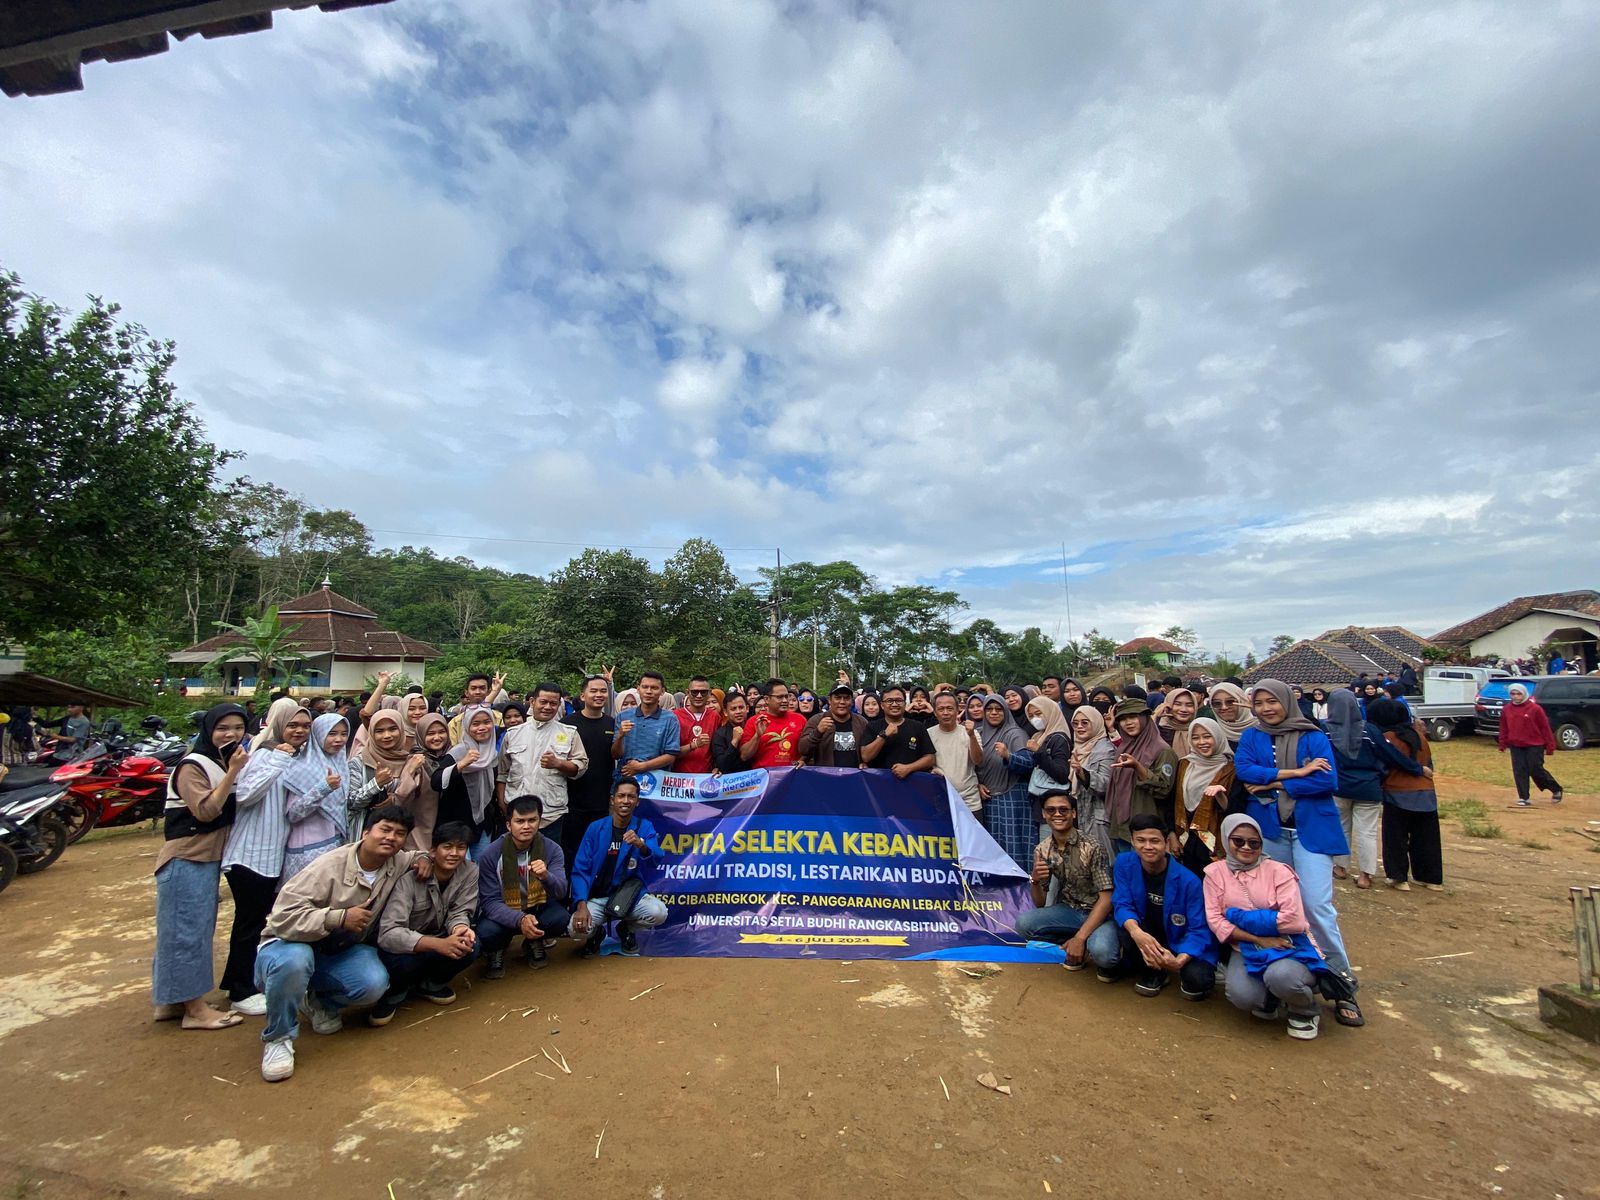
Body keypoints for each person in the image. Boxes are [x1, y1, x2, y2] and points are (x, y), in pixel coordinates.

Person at [254, 805, 427, 1081]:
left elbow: (418, 856)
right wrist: (338, 917)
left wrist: (424, 858)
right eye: (385, 830)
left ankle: (317, 1001)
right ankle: (278, 1037)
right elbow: (282, 917)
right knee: (295, 962)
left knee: (373, 982)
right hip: (288, 944)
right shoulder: (328, 867)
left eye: (399, 834)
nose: (391, 838)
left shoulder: (395, 862)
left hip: (334, 951)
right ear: (366, 831)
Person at [1234, 679, 1363, 1027]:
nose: (1265, 709)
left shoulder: (1313, 734)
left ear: (1287, 701)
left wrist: (1275, 782)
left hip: (1310, 831)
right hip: (1270, 832)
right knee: (1272, 906)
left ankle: (1342, 983)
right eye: (1258, 703)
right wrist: (1297, 771)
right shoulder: (1253, 735)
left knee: (1316, 907)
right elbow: (1244, 771)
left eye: (1271, 702)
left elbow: (1326, 781)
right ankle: (1283, 982)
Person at [152, 703, 251, 1031]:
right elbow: (206, 811)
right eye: (223, 728)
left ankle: (170, 1001)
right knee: (188, 936)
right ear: (209, 730)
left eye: (238, 727)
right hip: (187, 860)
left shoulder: (219, 762)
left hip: (204, 861)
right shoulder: (193, 765)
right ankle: (195, 1010)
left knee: (179, 933)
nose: (231, 734)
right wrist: (234, 772)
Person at [220, 704, 313, 1015]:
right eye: (293, 725)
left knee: (258, 922)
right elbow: (245, 795)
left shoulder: (293, 756)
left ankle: (248, 980)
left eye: (304, 725)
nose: (299, 731)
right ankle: (239, 989)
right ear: (278, 725)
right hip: (249, 855)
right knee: (248, 924)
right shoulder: (263, 753)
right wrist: (279, 758)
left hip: (271, 855)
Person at [1204, 814, 1328, 1040]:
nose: (1246, 847)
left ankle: (1304, 1009)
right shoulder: (1214, 873)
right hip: (1247, 948)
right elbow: (1215, 921)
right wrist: (1261, 938)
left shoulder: (1279, 871)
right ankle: (1272, 999)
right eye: (1238, 841)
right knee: (1242, 997)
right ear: (1225, 840)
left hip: (1289, 946)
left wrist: (1237, 917)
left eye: (1254, 843)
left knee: (1281, 976)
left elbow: (1295, 921)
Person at [369, 821, 480, 1023]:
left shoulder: (470, 871)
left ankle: (431, 985)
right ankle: (396, 991)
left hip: (439, 937)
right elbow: (389, 934)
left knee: (471, 945)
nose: (454, 853)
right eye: (447, 847)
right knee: (402, 962)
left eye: (461, 847)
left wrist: (460, 929)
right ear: (432, 850)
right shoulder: (408, 879)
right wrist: (439, 945)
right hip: (407, 945)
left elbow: (461, 910)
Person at [1109, 813, 1217, 999]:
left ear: (1166, 843)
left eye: (1154, 841)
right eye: (1140, 840)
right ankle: (1155, 972)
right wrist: (1137, 933)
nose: (1148, 847)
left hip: (1180, 938)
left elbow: (1199, 928)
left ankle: (1173, 968)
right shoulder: (1124, 862)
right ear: (1132, 841)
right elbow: (1121, 902)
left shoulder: (1189, 881)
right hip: (1149, 933)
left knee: (1197, 981)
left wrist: (1179, 961)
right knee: (1126, 930)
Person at [1017, 790, 1118, 970]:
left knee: (1104, 956)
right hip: (1070, 911)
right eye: (1051, 810)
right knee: (1023, 924)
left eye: (1063, 810)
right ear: (1044, 814)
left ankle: (1082, 941)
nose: (1057, 814)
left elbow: (1107, 898)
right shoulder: (1043, 849)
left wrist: (1080, 938)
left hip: (1101, 914)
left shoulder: (1092, 846)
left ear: (1073, 813)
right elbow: (1039, 903)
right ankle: (1075, 944)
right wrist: (1035, 880)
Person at [570, 779, 667, 957]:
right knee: (575, 929)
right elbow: (580, 870)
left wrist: (641, 844)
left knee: (659, 912)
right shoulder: (596, 828)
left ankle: (626, 929)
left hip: (628, 897)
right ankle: (596, 933)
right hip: (598, 898)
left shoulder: (643, 827)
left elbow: (657, 858)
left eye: (631, 797)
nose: (625, 800)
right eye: (621, 796)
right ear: (612, 800)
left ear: (637, 802)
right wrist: (581, 905)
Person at [477, 795, 571, 974]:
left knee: (561, 919)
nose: (526, 826)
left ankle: (533, 940)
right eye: (520, 821)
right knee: (486, 933)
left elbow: (561, 892)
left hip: (537, 907)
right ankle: (497, 949)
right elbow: (489, 902)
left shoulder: (552, 849)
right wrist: (519, 919)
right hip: (504, 908)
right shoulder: (491, 854)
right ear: (508, 825)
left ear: (539, 822)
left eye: (532, 820)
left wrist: (545, 875)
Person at [499, 682, 589, 849]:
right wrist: (502, 803)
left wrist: (559, 763)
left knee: (547, 864)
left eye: (553, 703)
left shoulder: (569, 733)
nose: (548, 707)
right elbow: (502, 773)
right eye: (543, 702)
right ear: (532, 702)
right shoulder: (513, 734)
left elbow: (580, 767)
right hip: (517, 813)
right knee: (514, 863)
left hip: (551, 815)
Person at [1367, 699, 1442, 891]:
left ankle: (1399, 877)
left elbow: (1383, 766)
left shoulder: (1387, 738)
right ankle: (1431, 878)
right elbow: (1429, 763)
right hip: (1426, 792)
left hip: (1397, 790)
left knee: (1396, 837)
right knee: (1427, 837)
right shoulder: (1419, 736)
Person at [280, 713, 353, 882]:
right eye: (332, 733)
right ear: (318, 734)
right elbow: (293, 814)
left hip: (336, 843)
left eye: (343, 734)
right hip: (308, 849)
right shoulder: (301, 767)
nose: (339, 739)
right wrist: (322, 788)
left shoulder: (340, 763)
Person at [1105, 699, 1178, 852]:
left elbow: (1164, 789)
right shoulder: (1125, 747)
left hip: (1147, 833)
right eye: (1123, 719)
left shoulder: (1162, 750)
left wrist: (1138, 767)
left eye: (1133, 717)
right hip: (1122, 828)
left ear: (1145, 718)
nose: (1128, 723)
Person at [1171, 717, 1239, 874]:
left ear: (1218, 737)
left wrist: (1220, 796)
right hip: (1187, 842)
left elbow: (1235, 810)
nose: (1201, 742)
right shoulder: (1184, 765)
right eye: (1195, 738)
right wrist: (1171, 834)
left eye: (1207, 736)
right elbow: (1173, 802)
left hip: (1215, 844)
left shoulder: (1231, 769)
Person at [561, 673, 616, 866]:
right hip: (571, 801)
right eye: (593, 691)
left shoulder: (612, 723)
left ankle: (593, 893)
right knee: (571, 852)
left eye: (603, 691)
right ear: (583, 696)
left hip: (601, 801)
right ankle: (570, 894)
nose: (599, 695)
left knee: (598, 851)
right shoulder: (567, 724)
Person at [432, 706, 500, 858]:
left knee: (480, 870)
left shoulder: (493, 755)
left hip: (483, 826)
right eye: (475, 724)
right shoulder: (458, 752)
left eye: (487, 722)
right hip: (456, 825)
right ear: (467, 727)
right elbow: (436, 782)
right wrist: (461, 764)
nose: (481, 728)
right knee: (459, 871)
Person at [975, 694, 1031, 868]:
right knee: (990, 844)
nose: (994, 713)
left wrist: (1009, 755)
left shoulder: (1015, 733)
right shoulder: (978, 734)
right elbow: (971, 765)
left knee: (1012, 844)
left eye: (998, 709)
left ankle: (1020, 890)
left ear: (1006, 712)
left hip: (1011, 797)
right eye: (989, 709)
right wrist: (977, 784)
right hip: (986, 799)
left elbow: (1029, 762)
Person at [1498, 683, 1562, 806]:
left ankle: (1555, 788)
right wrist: (1502, 743)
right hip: (1516, 744)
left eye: (1519, 694)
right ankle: (1524, 797)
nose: (1516, 697)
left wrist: (1550, 745)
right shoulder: (1507, 709)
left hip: (1534, 744)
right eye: (1513, 694)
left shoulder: (1535, 709)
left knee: (1535, 769)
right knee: (1519, 770)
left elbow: (1545, 728)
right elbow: (1504, 727)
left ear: (1524, 694)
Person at [614, 672, 681, 780]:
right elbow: (616, 755)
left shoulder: (670, 719)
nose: (649, 691)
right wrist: (620, 736)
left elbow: (671, 755)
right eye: (645, 687)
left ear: (662, 691)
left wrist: (642, 766)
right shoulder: (623, 716)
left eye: (654, 688)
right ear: (638, 689)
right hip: (625, 778)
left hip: (657, 782)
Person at [926, 693, 984, 814]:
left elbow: (978, 760)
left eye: (950, 708)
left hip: (969, 802)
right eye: (941, 709)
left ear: (957, 710)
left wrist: (972, 736)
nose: (945, 713)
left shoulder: (970, 733)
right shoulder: (928, 734)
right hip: (939, 800)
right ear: (935, 712)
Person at [861, 686, 936, 778]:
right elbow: (866, 756)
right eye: (889, 701)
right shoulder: (872, 726)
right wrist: (884, 735)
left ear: (905, 703)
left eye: (899, 700)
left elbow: (930, 758)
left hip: (911, 784)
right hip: (878, 783)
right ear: (882, 705)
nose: (894, 704)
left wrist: (909, 768)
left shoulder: (917, 726)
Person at [739, 678, 806, 769]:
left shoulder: (800, 719)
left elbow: (807, 749)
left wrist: (803, 760)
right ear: (766, 699)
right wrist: (757, 736)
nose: (785, 700)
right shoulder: (754, 721)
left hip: (793, 778)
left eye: (786, 696)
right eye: (779, 697)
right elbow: (744, 756)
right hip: (765, 780)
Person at [799, 684, 872, 767]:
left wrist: (865, 763)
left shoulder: (862, 722)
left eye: (846, 698)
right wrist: (817, 732)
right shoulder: (816, 720)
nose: (842, 702)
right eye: (837, 698)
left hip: (854, 777)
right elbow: (803, 750)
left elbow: (870, 752)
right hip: (826, 776)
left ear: (852, 701)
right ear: (829, 700)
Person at [673, 676, 721, 773]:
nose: (699, 696)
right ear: (687, 692)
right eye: (695, 692)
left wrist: (717, 766)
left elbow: (717, 748)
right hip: (678, 778)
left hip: (705, 778)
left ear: (709, 693)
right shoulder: (674, 716)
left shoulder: (715, 717)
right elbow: (669, 752)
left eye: (703, 692)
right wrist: (694, 745)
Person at [446, 672, 506, 742]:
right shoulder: (455, 723)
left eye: (482, 688)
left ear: (489, 691)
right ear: (466, 693)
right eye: (473, 688)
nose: (477, 692)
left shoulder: (500, 719)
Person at [710, 692, 750, 774]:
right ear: (725, 712)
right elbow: (722, 765)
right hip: (731, 782)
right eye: (733, 709)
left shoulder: (754, 728)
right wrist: (734, 741)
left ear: (747, 708)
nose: (738, 711)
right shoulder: (719, 735)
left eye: (741, 707)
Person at [1156, 686, 1198, 757]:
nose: (1183, 709)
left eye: (1189, 705)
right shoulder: (1157, 731)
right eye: (1177, 704)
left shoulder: (1199, 730)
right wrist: (1156, 715)